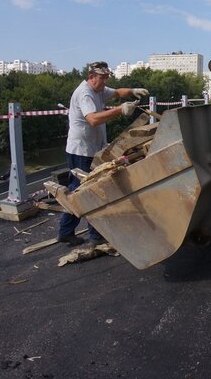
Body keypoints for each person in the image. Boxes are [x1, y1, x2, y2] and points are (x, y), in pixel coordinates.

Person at [58, 61, 149, 247]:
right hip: (81, 151)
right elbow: (92, 119)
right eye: (102, 78)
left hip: (91, 148)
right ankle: (95, 236)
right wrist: (120, 109)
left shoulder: (99, 89)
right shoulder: (85, 93)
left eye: (107, 77)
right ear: (91, 77)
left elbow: (118, 93)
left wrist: (132, 91)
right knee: (91, 190)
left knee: (78, 189)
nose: (105, 81)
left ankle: (66, 232)